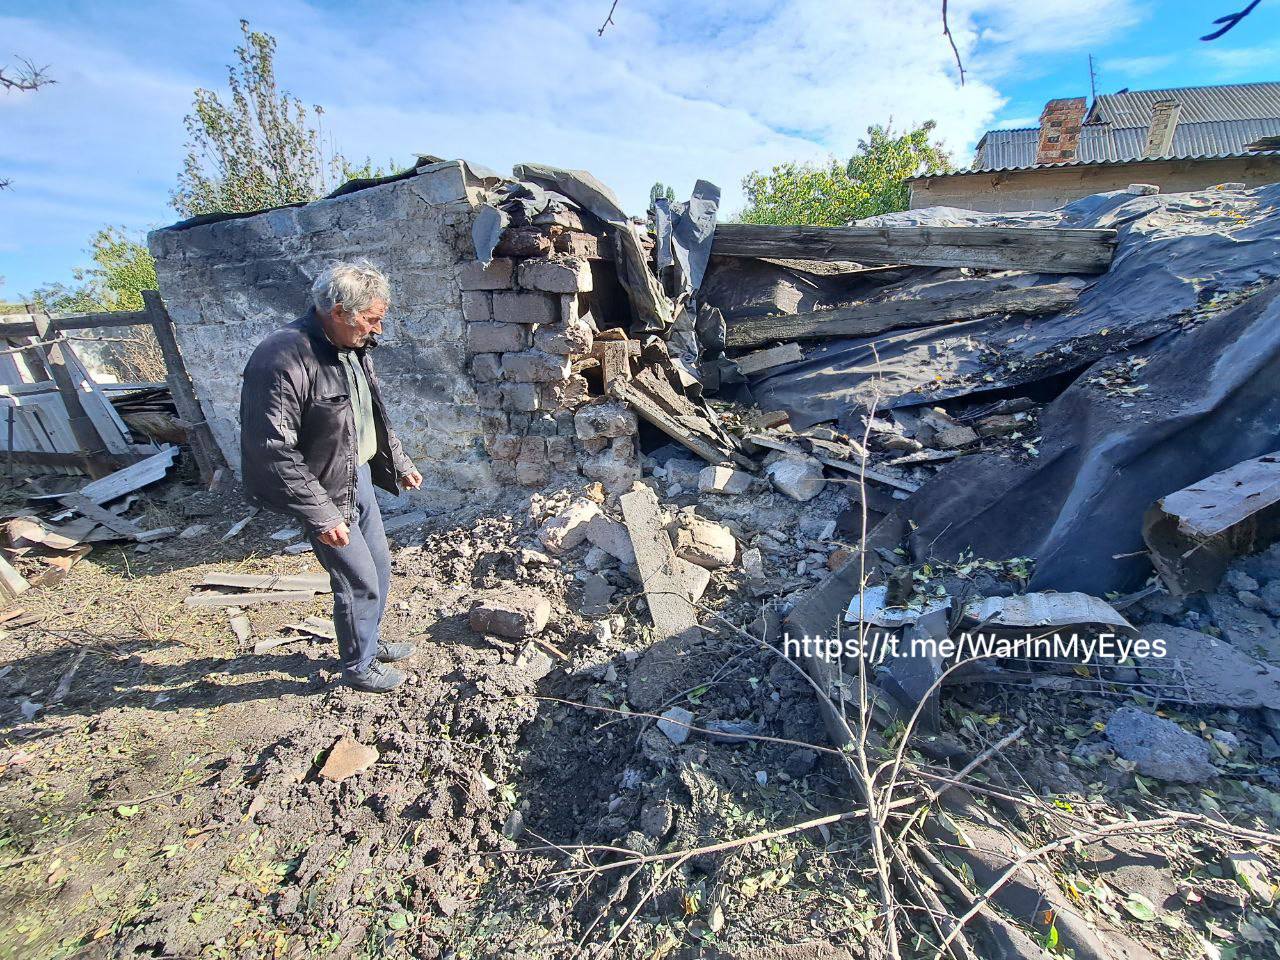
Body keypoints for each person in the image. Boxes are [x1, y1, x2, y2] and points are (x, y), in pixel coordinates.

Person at [239, 259, 422, 693]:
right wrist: (321, 514)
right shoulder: (282, 356)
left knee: (377, 568)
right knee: (356, 580)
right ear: (340, 311)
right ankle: (359, 667)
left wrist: (400, 460)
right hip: (320, 487)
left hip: (354, 476)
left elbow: (367, 416)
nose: (377, 330)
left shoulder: (352, 348)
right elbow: (272, 447)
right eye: (372, 320)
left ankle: (369, 642)